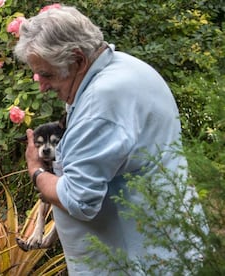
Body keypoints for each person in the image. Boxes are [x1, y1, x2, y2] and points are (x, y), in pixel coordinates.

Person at [14, 5, 202, 275]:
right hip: (165, 241)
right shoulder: (125, 67)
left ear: (78, 59)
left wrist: (36, 170)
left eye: (47, 74)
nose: (41, 85)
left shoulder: (100, 103)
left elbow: (80, 200)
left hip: (135, 261)